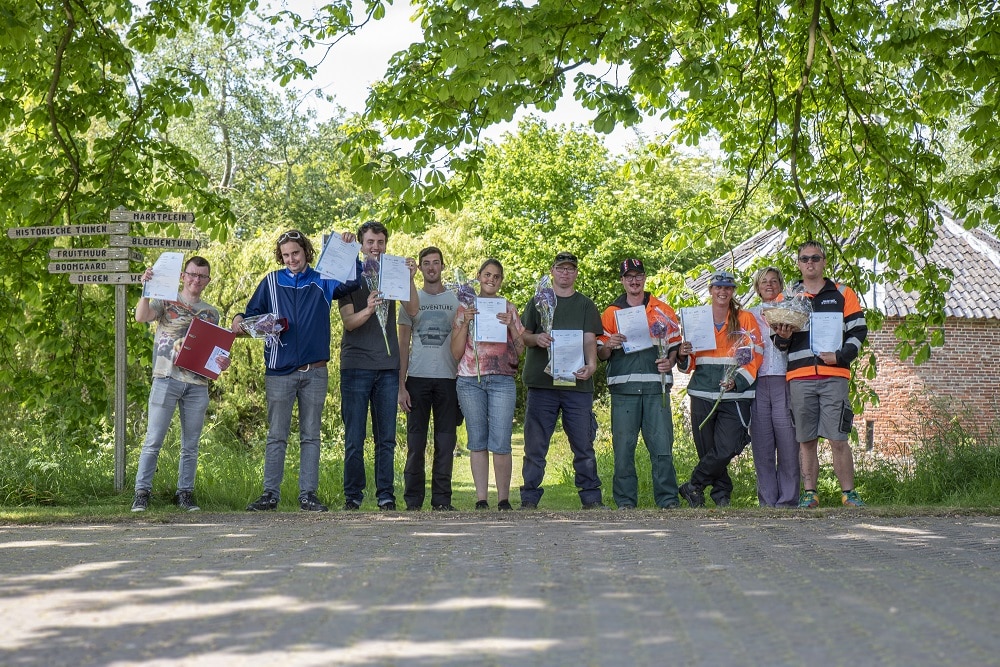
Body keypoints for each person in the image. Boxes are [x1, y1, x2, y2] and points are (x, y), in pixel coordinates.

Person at [233, 229, 362, 513]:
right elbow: (251, 313)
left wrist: (352, 250)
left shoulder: (322, 280)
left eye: (296, 253)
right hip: (279, 371)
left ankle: (308, 495)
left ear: (306, 252)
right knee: (276, 435)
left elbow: (353, 280)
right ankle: (269, 495)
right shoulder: (270, 281)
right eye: (286, 254)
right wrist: (238, 318)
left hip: (315, 372)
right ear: (281, 256)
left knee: (310, 436)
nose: (291, 259)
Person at [772, 241, 868, 508]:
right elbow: (779, 343)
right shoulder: (787, 297)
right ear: (798, 263)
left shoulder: (841, 293)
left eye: (815, 258)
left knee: (838, 437)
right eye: (804, 259)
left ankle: (848, 493)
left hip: (833, 375)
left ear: (824, 261)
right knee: (806, 440)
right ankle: (810, 493)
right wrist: (783, 336)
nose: (810, 263)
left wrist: (840, 356)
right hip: (800, 376)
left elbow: (859, 331)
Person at [132, 256, 230, 512]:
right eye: (192, 274)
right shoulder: (165, 300)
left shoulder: (212, 313)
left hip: (197, 384)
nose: (196, 280)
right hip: (166, 378)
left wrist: (222, 362)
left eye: (202, 276)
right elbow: (141, 317)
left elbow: (214, 352)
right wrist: (146, 290)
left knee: (191, 444)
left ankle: (184, 493)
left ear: (208, 280)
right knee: (154, 440)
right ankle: (142, 493)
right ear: (183, 276)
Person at [339, 220, 419, 511]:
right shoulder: (349, 274)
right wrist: (370, 308)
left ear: (386, 244)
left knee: (386, 438)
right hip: (355, 366)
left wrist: (409, 277)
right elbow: (348, 322)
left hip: (387, 369)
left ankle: (386, 495)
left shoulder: (393, 271)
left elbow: (413, 310)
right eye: (370, 242)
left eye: (380, 242)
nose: (375, 247)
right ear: (361, 245)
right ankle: (353, 497)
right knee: (354, 438)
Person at [519, 251, 606, 510]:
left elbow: (590, 338)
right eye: (561, 268)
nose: (565, 273)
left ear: (576, 273)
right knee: (535, 445)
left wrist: (592, 365)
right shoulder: (538, 301)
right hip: (542, 384)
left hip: (576, 384)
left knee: (583, 444)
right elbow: (524, 336)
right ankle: (529, 499)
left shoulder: (586, 305)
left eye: (570, 269)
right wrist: (537, 340)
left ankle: (591, 498)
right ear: (552, 271)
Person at [598, 259, 681, 510]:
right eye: (629, 276)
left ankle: (668, 500)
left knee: (662, 446)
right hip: (624, 390)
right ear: (622, 280)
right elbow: (601, 354)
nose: (634, 281)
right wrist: (609, 344)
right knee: (623, 448)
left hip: (657, 389)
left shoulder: (663, 310)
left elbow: (675, 347)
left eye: (638, 276)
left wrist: (670, 362)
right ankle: (625, 502)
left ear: (645, 278)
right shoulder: (611, 312)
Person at [677, 270, 762, 508]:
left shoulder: (744, 318)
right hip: (703, 392)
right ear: (711, 290)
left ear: (733, 291)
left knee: (727, 447)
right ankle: (721, 495)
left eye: (727, 288)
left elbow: (756, 355)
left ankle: (693, 484)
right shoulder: (697, 318)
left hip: (735, 393)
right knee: (708, 451)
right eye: (718, 287)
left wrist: (739, 380)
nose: (722, 291)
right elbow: (688, 364)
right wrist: (683, 354)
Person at [451, 258, 524, 511]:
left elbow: (521, 350)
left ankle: (503, 499)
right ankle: (481, 499)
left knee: (502, 440)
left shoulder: (509, 308)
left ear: (501, 280)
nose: (491, 279)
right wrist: (467, 322)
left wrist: (512, 327)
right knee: (477, 439)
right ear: (479, 277)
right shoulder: (465, 308)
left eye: (496, 276)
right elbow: (456, 352)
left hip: (502, 380)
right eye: (487, 275)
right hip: (470, 380)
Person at [398, 246, 460, 511]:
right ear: (420, 268)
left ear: (443, 266)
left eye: (436, 263)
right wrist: (401, 385)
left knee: (445, 443)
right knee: (416, 444)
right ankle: (413, 501)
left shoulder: (458, 299)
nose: (432, 267)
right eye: (426, 263)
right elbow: (402, 344)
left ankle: (442, 501)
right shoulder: (411, 297)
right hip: (418, 379)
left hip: (449, 379)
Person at [749, 266, 800, 508]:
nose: (769, 285)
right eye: (763, 282)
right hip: (757, 381)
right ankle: (767, 501)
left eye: (773, 281)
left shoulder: (792, 310)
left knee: (788, 441)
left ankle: (788, 500)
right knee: (762, 442)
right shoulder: (748, 315)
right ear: (757, 288)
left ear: (780, 285)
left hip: (785, 379)